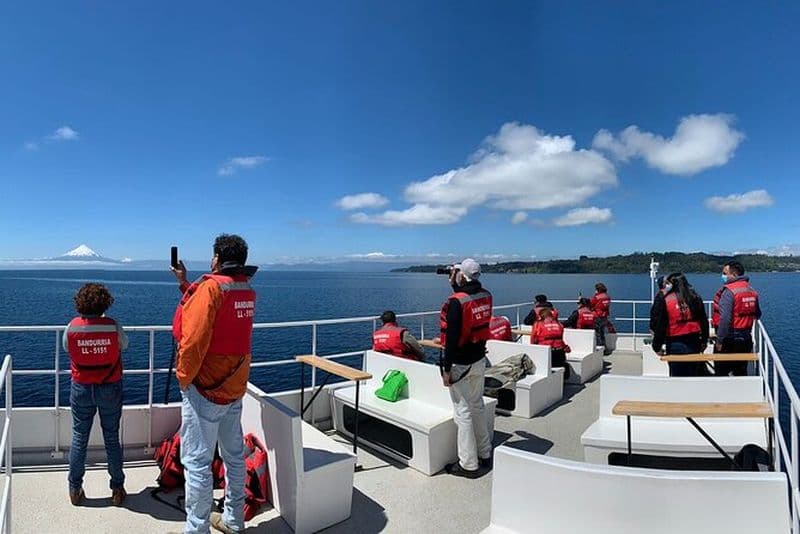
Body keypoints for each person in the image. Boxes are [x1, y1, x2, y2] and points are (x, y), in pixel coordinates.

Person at [170, 234, 258, 534]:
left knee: (197, 462)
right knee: (234, 458)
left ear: (216, 258)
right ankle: (234, 521)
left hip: (206, 391)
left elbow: (193, 340)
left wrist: (183, 378)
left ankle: (196, 529)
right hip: (234, 389)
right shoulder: (245, 289)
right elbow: (219, 316)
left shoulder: (211, 288)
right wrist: (185, 283)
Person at [63, 283, 127, 506]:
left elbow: (66, 348)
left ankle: (74, 489)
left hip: (81, 388)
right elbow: (123, 345)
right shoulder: (112, 326)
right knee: (111, 437)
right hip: (110, 386)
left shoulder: (72, 327)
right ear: (104, 303)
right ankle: (117, 489)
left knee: (79, 437)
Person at [439, 258, 493, 478]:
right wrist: (455, 283)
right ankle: (485, 454)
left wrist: (446, 369)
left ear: (463, 275)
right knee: (477, 406)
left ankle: (469, 464)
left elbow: (451, 337)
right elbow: (468, 303)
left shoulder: (455, 302)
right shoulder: (486, 295)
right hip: (479, 358)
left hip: (460, 363)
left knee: (462, 413)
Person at [650, 273, 709, 377]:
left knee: (677, 376)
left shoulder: (665, 299)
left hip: (674, 344)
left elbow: (660, 325)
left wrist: (657, 347)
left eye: (668, 283)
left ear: (672, 284)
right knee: (693, 374)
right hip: (694, 342)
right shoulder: (695, 297)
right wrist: (704, 341)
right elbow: (703, 321)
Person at [712, 261, 761, 376]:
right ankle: (741, 392)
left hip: (729, 340)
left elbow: (725, 319)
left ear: (733, 275)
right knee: (740, 370)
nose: (723, 276)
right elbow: (758, 314)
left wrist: (719, 340)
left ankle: (723, 392)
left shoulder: (729, 292)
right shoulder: (752, 291)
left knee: (721, 370)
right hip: (746, 338)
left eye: (725, 273)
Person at [531, 308, 571, 381]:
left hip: (546, 353)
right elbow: (561, 340)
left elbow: (533, 340)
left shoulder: (538, 324)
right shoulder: (559, 324)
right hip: (559, 353)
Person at [591, 283, 612, 355]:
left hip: (597, 317)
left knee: (598, 334)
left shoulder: (597, 297)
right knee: (602, 333)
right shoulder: (607, 297)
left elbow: (590, 304)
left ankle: (600, 351)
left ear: (598, 290)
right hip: (604, 317)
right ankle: (605, 348)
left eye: (595, 289)